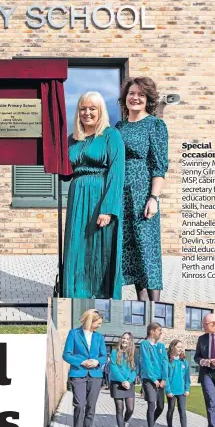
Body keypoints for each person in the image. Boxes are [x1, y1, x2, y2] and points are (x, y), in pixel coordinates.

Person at [63, 92, 125, 300]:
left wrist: (108, 208)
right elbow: (65, 172)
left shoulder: (111, 135)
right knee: (77, 249)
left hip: (101, 197)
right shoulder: (72, 139)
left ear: (100, 111)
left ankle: (102, 302)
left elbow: (117, 174)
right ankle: (75, 299)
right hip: (77, 197)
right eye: (83, 108)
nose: (87, 113)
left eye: (92, 109)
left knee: (100, 250)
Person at [116, 77, 168, 302]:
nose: (135, 98)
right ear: (125, 98)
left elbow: (159, 166)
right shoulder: (119, 127)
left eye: (141, 95)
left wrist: (154, 198)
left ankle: (155, 312)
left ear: (147, 100)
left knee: (147, 251)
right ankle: (140, 306)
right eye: (131, 93)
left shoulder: (155, 125)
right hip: (120, 196)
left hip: (142, 195)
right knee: (130, 252)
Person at [62, 309, 107, 427]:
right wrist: (82, 362)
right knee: (80, 405)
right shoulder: (74, 334)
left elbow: (104, 356)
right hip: (79, 374)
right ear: (90, 321)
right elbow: (66, 355)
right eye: (98, 323)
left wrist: (96, 361)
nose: (99, 326)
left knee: (91, 407)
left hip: (95, 375)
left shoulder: (99, 337)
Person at [139, 321, 168, 427]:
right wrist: (154, 379)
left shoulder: (161, 346)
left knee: (160, 406)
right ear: (152, 331)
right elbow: (146, 363)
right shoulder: (144, 344)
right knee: (152, 405)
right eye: (159, 330)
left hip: (160, 380)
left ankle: (151, 422)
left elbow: (165, 362)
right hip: (149, 380)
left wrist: (164, 379)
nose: (160, 333)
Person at [109, 332, 137, 427]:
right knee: (119, 409)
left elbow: (134, 370)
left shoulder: (133, 354)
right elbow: (114, 368)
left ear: (130, 341)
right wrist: (122, 381)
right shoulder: (114, 352)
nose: (125, 340)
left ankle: (125, 423)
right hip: (117, 384)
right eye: (123, 338)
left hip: (129, 384)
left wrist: (129, 381)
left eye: (127, 339)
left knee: (130, 409)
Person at [165, 339, 191, 427]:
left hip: (182, 391)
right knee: (171, 409)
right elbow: (166, 377)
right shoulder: (168, 360)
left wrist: (187, 389)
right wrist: (168, 390)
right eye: (178, 346)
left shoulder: (184, 361)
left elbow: (187, 377)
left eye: (181, 347)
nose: (180, 348)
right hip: (171, 391)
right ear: (172, 347)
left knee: (182, 410)